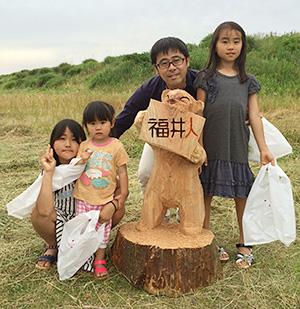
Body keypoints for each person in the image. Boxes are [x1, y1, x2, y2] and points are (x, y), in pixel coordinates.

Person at [193, 21, 275, 269]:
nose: (231, 46)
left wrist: (263, 148)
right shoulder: (205, 78)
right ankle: (206, 241)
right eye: (225, 41)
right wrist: (199, 148)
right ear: (215, 45)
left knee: (242, 195)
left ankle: (245, 242)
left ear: (243, 45)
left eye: (236, 41)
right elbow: (198, 115)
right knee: (204, 194)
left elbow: (255, 115)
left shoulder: (248, 81)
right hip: (211, 146)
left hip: (237, 144)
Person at [31, 119, 125, 272]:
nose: (68, 144)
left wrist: (113, 204)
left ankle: (93, 244)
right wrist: (48, 173)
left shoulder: (91, 166)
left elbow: (119, 186)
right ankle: (53, 246)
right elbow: (44, 211)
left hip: (89, 217)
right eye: (62, 139)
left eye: (74, 140)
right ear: (52, 143)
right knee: (37, 215)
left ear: (83, 144)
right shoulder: (52, 169)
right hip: (60, 219)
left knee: (120, 209)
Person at [111, 37, 198, 190]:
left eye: (177, 60)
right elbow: (127, 115)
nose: (171, 67)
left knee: (190, 175)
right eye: (164, 63)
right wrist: (102, 141)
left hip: (193, 137)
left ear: (187, 61)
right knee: (145, 173)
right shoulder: (150, 88)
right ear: (156, 69)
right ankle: (156, 211)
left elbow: (223, 104)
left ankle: (184, 212)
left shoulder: (201, 82)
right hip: (161, 137)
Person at [73, 101, 129, 279]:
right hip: (83, 196)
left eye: (102, 122)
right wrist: (81, 159)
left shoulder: (116, 146)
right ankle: (83, 256)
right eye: (92, 123)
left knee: (102, 231)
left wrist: (124, 193)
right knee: (82, 228)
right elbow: (76, 168)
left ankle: (99, 259)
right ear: (86, 126)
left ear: (112, 123)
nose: (98, 127)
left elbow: (122, 171)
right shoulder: (83, 146)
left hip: (105, 198)